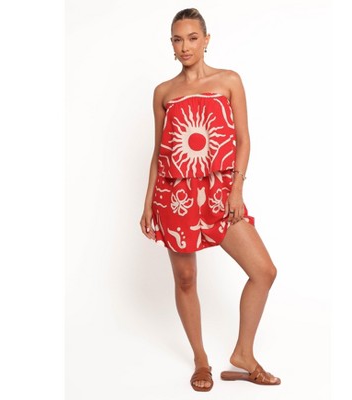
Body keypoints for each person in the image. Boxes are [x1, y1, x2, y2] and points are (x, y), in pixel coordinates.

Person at [140, 8, 280, 392]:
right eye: (177, 39)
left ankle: (243, 354)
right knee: (186, 278)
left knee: (264, 271)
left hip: (220, 193)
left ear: (206, 40)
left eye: (192, 38)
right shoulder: (164, 93)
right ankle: (201, 360)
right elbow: (159, 152)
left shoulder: (229, 81)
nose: (185, 46)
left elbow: (243, 140)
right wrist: (148, 202)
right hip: (175, 196)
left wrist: (236, 190)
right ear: (171, 44)